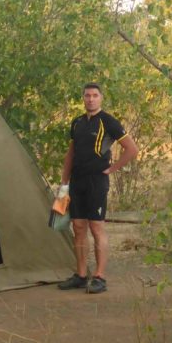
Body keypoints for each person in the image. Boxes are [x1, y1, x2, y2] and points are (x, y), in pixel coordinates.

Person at [57, 82, 139, 294]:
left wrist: (112, 169)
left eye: (94, 95)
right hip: (77, 181)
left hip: (97, 181)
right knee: (78, 227)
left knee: (96, 227)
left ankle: (100, 277)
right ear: (83, 98)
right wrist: (64, 182)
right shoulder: (77, 123)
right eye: (87, 95)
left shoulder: (108, 122)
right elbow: (71, 153)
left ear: (101, 98)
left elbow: (131, 149)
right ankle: (81, 275)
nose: (90, 99)